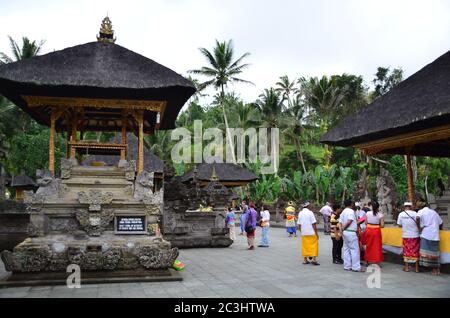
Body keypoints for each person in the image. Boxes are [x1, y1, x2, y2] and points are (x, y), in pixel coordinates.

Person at [417, 202, 443, 275]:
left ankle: (428, 267)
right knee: (435, 252)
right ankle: (437, 270)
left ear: (420, 207)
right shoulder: (434, 212)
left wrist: (419, 227)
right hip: (435, 234)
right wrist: (440, 229)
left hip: (426, 234)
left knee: (426, 252)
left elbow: (417, 218)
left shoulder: (421, 211)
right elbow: (441, 222)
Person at [339, 199, 364, 272]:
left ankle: (347, 266)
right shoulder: (350, 211)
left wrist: (341, 230)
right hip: (350, 232)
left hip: (345, 232)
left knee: (346, 249)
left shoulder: (343, 211)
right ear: (350, 204)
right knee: (354, 250)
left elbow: (340, 222)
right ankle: (356, 267)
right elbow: (350, 221)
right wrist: (343, 228)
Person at [397, 202, 420, 273]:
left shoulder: (401, 214)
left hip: (406, 235)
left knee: (406, 251)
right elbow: (418, 222)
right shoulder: (415, 213)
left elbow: (399, 225)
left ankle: (407, 267)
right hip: (415, 235)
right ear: (411, 207)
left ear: (404, 207)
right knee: (416, 251)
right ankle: (417, 268)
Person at [364, 201, 384, 266]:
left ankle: (367, 261)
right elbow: (382, 225)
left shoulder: (367, 213)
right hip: (376, 231)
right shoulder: (380, 215)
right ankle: (378, 262)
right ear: (378, 207)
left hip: (368, 230)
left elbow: (365, 223)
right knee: (377, 246)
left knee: (368, 245)